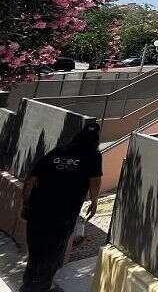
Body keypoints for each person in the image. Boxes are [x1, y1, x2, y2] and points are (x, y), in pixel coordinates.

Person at [21, 122, 102, 292]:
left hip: (38, 210)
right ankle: (41, 287)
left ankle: (28, 285)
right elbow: (94, 181)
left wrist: (26, 203)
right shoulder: (93, 155)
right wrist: (94, 202)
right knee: (53, 252)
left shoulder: (57, 152)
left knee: (36, 251)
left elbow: (31, 180)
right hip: (63, 214)